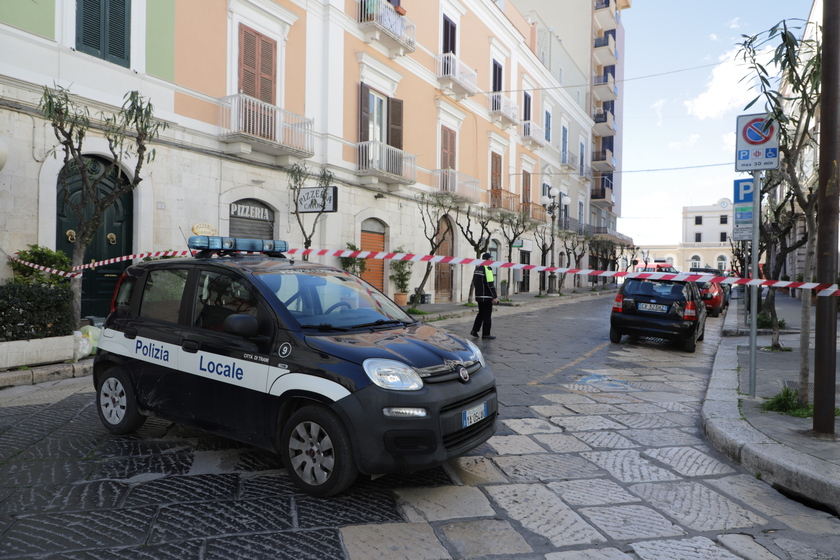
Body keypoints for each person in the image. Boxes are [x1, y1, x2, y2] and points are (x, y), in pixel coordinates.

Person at [471, 252, 499, 339]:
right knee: (487, 315)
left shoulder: (477, 269)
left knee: (481, 314)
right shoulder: (487, 269)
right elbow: (490, 284)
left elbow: (474, 283)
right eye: (491, 259)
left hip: (479, 296)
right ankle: (486, 334)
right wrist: (494, 296)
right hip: (486, 296)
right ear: (488, 260)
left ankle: (474, 330)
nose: (492, 260)